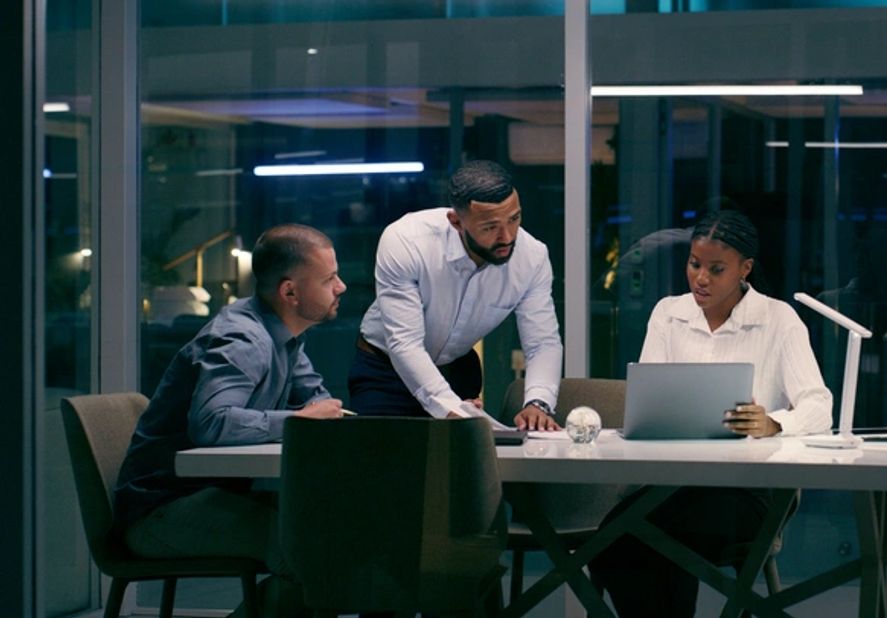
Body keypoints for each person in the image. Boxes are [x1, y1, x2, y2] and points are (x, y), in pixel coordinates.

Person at [589, 209, 833, 617]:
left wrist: (775, 423)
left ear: (745, 269)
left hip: (746, 493)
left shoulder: (778, 320)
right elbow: (648, 399)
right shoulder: (668, 313)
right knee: (612, 542)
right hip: (669, 485)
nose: (701, 278)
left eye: (716, 269)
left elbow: (819, 406)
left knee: (640, 539)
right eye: (694, 264)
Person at [113, 224, 349, 618]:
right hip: (160, 512)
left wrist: (315, 414)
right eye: (329, 279)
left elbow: (317, 400)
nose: (341, 287)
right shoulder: (242, 340)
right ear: (290, 292)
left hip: (214, 496)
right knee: (316, 558)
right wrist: (300, 419)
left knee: (340, 540)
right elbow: (212, 422)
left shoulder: (285, 336)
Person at [349, 159, 562, 430]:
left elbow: (542, 342)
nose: (507, 237)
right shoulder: (406, 241)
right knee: (383, 454)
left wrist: (538, 403)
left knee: (467, 456)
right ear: (456, 222)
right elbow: (404, 343)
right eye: (490, 227)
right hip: (386, 370)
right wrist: (451, 409)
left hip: (457, 368)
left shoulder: (532, 257)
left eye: (514, 219)